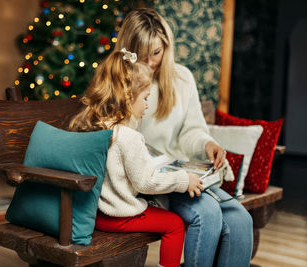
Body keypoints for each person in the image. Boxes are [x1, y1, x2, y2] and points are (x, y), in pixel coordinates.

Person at [113, 8, 254, 267]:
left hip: (182, 173)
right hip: (149, 182)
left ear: (166, 46)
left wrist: (207, 144)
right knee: (208, 214)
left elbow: (192, 131)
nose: (150, 62)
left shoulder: (182, 78)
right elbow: (117, 138)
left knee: (241, 220)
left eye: (156, 53)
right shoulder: (120, 81)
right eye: (142, 56)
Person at [69, 49, 204, 267]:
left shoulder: (95, 126)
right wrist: (183, 180)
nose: (147, 105)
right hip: (118, 216)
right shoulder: (129, 137)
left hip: (97, 213)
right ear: (128, 98)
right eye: (145, 98)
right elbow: (146, 182)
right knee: (175, 225)